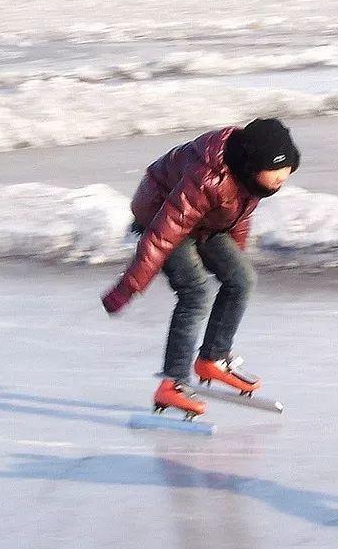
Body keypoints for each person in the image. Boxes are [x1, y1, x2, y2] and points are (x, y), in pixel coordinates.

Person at [101, 118, 300, 418]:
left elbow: (238, 218)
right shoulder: (207, 178)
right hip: (161, 215)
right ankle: (173, 383)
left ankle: (212, 359)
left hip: (203, 223)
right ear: (252, 166)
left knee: (242, 278)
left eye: (286, 173)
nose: (281, 180)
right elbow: (162, 234)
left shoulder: (251, 179)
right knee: (195, 292)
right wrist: (127, 288)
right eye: (276, 173)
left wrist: (231, 264)